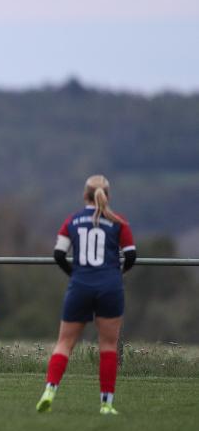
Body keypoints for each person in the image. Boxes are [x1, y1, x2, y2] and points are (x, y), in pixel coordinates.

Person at [37, 175, 136, 415]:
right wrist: (115, 274)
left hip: (80, 285)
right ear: (107, 196)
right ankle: (106, 403)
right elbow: (131, 256)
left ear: (85, 195)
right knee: (108, 345)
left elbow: (59, 254)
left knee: (64, 343)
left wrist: (75, 274)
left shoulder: (72, 221)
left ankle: (50, 390)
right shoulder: (118, 222)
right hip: (110, 287)